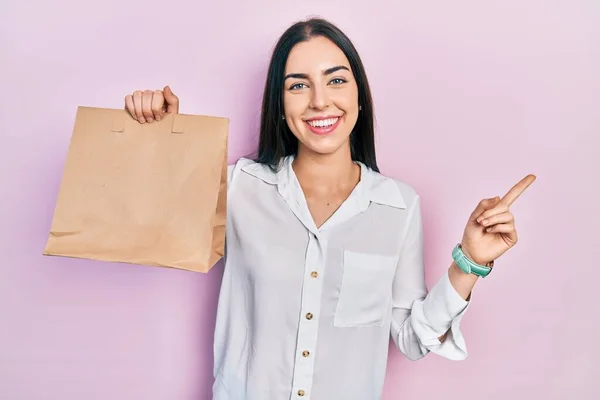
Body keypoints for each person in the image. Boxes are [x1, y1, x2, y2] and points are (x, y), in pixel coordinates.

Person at [124, 17, 535, 400]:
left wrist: (469, 265)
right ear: (280, 104)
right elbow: (156, 232)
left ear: (359, 95)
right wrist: (164, 139)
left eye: (336, 80)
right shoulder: (238, 187)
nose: (320, 101)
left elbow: (412, 339)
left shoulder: (398, 205)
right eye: (298, 85)